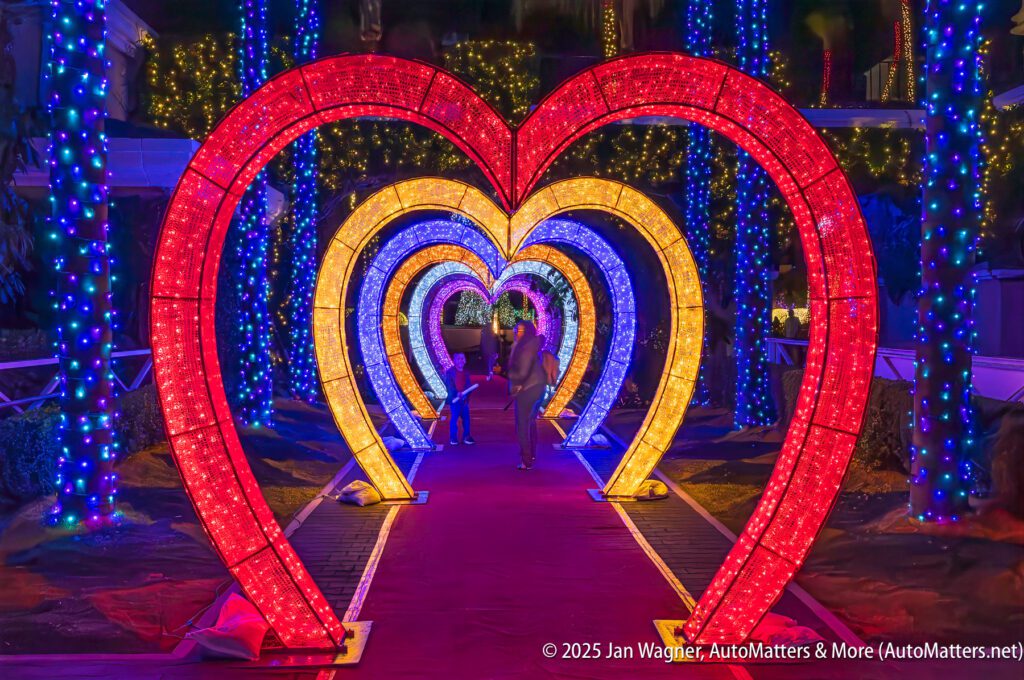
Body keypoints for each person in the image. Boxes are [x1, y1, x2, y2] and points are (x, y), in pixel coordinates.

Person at [507, 321, 548, 470]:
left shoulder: (525, 347)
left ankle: (526, 460)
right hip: (538, 388)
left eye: (520, 330)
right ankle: (531, 454)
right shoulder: (533, 344)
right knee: (530, 422)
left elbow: (522, 371)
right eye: (516, 329)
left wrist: (511, 377)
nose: (516, 332)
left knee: (522, 425)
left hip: (527, 390)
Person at [444, 353, 475, 446]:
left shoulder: (466, 372)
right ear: (454, 360)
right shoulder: (450, 372)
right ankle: (453, 437)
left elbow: (468, 385)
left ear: (465, 360)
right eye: (458, 359)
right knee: (454, 418)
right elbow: (449, 386)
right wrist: (456, 393)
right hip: (455, 399)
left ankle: (467, 436)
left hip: (464, 399)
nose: (460, 360)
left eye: (462, 358)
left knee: (466, 419)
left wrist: (466, 394)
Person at [480, 315, 499, 381]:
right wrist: (496, 352)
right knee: (491, 364)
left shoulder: (484, 333)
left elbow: (482, 344)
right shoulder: (492, 334)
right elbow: (495, 344)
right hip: (491, 351)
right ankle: (491, 374)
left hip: (487, 351)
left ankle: (490, 375)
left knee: (489, 364)